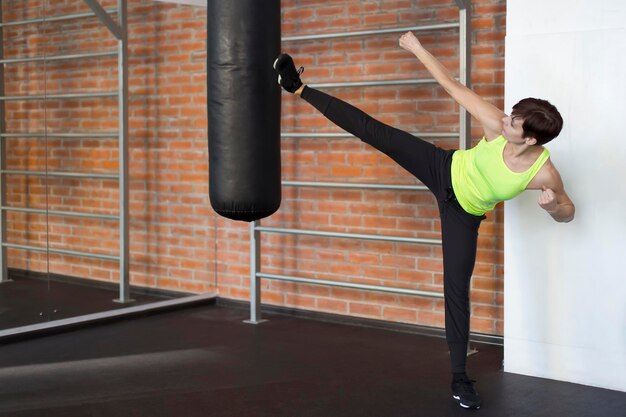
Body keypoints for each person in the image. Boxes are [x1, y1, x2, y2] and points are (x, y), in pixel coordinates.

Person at [273, 31, 575, 410]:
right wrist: (418, 49)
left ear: (531, 140)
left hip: (463, 215)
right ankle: (297, 87)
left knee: (456, 292)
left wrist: (551, 208)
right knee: (375, 132)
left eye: (515, 123)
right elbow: (452, 86)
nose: (506, 119)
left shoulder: (542, 175)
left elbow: (568, 212)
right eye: (511, 114)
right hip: (442, 167)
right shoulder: (497, 125)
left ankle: (460, 379)